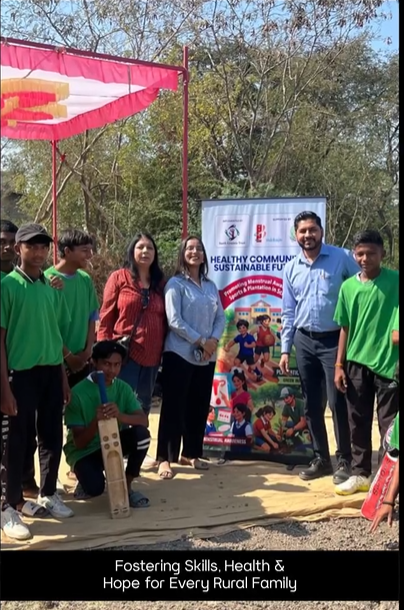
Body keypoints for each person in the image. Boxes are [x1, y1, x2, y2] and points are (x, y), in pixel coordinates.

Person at [1, 223, 73, 541]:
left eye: (44, 246)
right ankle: (8, 507)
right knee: (16, 442)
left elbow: (54, 336)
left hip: (50, 372)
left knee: (51, 435)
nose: (39, 252)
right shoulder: (7, 286)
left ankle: (47, 492)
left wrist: (63, 378)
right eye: (32, 245)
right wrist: (4, 388)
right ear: (18, 248)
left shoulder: (51, 287)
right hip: (21, 374)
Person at [280, 210, 358, 483]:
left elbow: (360, 289)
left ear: (321, 231)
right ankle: (321, 459)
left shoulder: (342, 258)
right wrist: (285, 349)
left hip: (334, 341)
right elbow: (288, 311)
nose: (308, 235)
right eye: (302, 231)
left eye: (312, 230)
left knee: (338, 403)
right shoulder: (291, 268)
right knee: (312, 404)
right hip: (303, 341)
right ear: (296, 235)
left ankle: (344, 460)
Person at [334, 230, 399, 495]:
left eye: (371, 253)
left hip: (388, 363)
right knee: (357, 420)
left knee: (389, 425)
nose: (365, 258)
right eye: (360, 253)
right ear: (354, 255)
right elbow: (344, 327)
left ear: (382, 253)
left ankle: (387, 480)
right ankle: (360, 473)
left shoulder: (395, 281)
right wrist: (339, 365)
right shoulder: (348, 287)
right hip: (355, 363)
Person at [156, 235, 225, 479]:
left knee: (198, 405)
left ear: (204, 255)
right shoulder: (175, 284)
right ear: (182, 254)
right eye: (190, 248)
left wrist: (212, 341)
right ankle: (165, 458)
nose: (195, 252)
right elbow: (174, 320)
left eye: (199, 249)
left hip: (206, 356)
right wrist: (201, 341)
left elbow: (220, 317)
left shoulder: (210, 286)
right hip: (179, 353)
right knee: (174, 407)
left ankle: (191, 453)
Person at [63, 340, 151, 507]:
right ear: (94, 362)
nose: (112, 370)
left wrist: (120, 416)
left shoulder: (123, 388)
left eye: (117, 365)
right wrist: (96, 421)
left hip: (112, 443)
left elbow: (143, 421)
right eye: (106, 364)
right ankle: (83, 477)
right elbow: (79, 443)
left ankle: (126, 486)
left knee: (142, 436)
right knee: (95, 488)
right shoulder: (77, 393)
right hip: (85, 452)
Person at [97, 233, 166, 421]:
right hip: (124, 356)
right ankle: (118, 440)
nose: (145, 251)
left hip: (152, 356)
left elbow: (166, 320)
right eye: (140, 247)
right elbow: (106, 317)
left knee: (142, 406)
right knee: (119, 404)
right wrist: (104, 352)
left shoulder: (161, 283)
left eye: (150, 248)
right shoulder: (119, 278)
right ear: (132, 251)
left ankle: (139, 440)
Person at [45, 229, 99, 387]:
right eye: (85, 250)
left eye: (90, 250)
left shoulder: (85, 280)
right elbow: (48, 327)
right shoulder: (47, 280)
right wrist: (68, 356)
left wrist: (88, 351)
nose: (90, 255)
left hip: (82, 361)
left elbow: (92, 316)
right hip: (54, 362)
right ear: (67, 251)